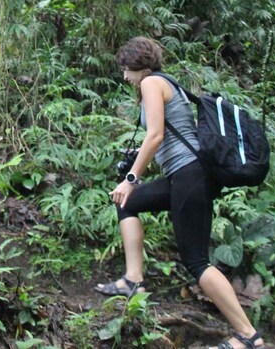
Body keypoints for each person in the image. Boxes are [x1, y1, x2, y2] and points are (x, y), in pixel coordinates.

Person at [96, 37, 264, 349]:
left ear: (137, 64)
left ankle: (248, 336)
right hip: (182, 176)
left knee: (197, 262)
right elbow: (168, 135)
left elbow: (156, 135)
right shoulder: (164, 83)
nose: (124, 76)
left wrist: (132, 176)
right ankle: (133, 281)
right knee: (127, 203)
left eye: (125, 69)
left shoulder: (150, 83)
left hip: (191, 176)